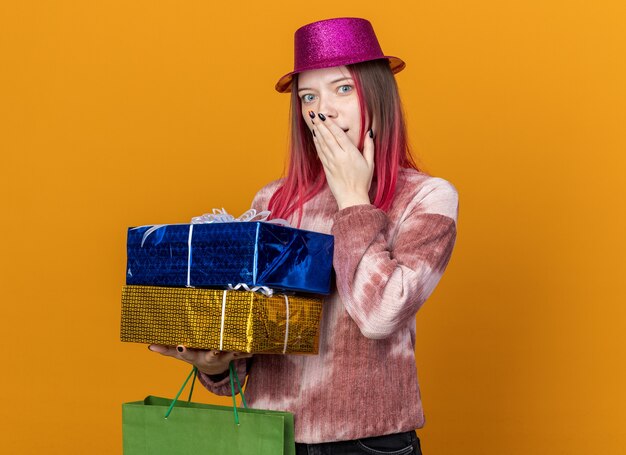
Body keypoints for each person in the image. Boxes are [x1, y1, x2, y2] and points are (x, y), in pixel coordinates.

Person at [148, 17, 459, 454]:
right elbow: (251, 351)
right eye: (308, 96)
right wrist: (216, 365)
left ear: (378, 95)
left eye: (343, 89)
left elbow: (379, 317)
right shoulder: (273, 201)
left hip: (368, 443)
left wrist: (352, 199)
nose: (323, 109)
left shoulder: (427, 198)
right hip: (269, 440)